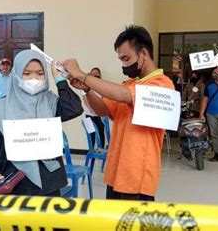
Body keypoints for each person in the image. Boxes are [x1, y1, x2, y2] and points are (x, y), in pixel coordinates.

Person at [63, 25, 174, 201]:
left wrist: (82, 75)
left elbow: (123, 96)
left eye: (126, 58)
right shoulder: (129, 84)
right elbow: (101, 109)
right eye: (121, 59)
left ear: (143, 54)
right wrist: (87, 90)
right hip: (116, 173)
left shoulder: (162, 85)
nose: (123, 64)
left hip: (137, 177)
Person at [0, 50, 83, 196]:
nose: (34, 79)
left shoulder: (50, 102)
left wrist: (59, 79)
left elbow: (74, 109)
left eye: (40, 73)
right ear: (17, 74)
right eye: (26, 74)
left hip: (48, 185)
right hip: (13, 184)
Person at [82, 67, 106, 148]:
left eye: (97, 72)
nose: (95, 74)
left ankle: (101, 149)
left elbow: (103, 97)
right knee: (91, 133)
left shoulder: (102, 85)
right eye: (93, 72)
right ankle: (91, 149)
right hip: (89, 114)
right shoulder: (86, 85)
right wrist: (91, 109)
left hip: (100, 114)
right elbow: (85, 98)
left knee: (101, 131)